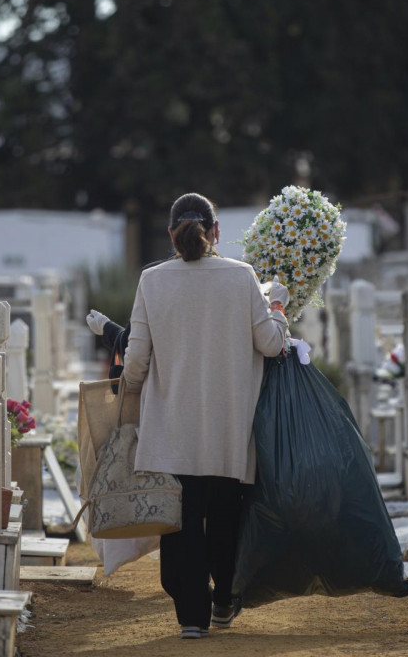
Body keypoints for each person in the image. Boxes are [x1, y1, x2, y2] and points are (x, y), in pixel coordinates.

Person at [120, 192, 289, 639]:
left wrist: (128, 397)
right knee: (225, 520)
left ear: (171, 234)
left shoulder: (152, 281)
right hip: (228, 427)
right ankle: (222, 602)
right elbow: (271, 345)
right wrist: (279, 307)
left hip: (172, 428)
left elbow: (136, 361)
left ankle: (190, 618)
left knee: (180, 527)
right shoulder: (242, 277)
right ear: (216, 232)